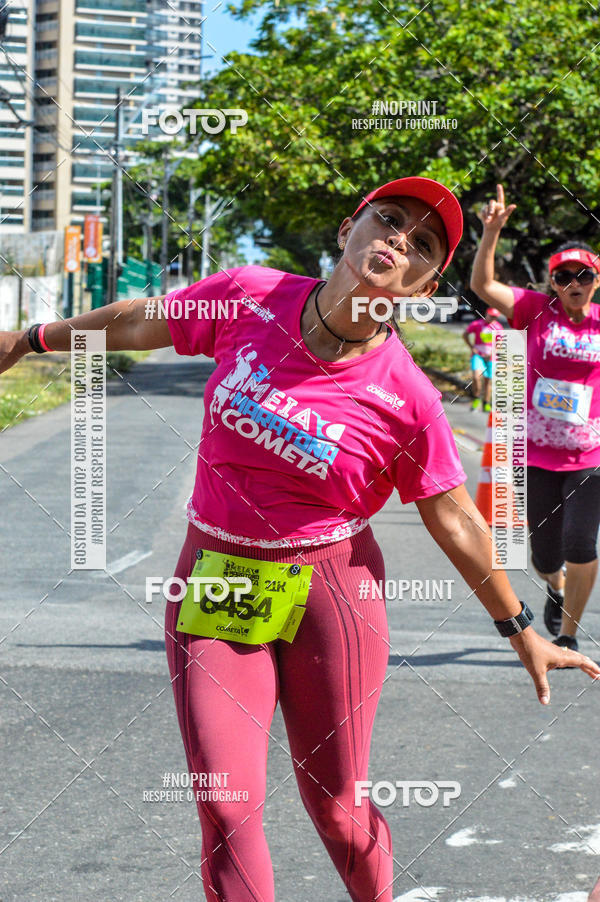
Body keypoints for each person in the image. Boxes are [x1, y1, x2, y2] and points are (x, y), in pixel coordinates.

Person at [1, 176, 598, 902]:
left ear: (424, 284)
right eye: (388, 219)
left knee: (341, 815)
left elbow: (454, 517)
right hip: (216, 578)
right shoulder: (251, 295)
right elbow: (136, 323)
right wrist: (31, 339)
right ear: (349, 227)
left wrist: (520, 629)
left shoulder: (407, 393)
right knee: (225, 805)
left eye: (423, 245)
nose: (398, 240)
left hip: (332, 594)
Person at [471, 183, 600, 654]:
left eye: (583, 275)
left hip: (591, 455)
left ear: (596, 280)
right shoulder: (535, 311)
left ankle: (567, 636)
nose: (574, 283)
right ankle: (555, 584)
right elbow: (483, 286)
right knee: (546, 553)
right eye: (564, 275)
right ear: (552, 282)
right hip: (538, 453)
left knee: (581, 543)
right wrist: (491, 233)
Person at [462, 306, 504, 411]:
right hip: (478, 355)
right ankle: (476, 398)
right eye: (491, 316)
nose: (493, 319)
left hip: (491, 356)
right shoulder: (477, 324)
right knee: (476, 377)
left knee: (488, 381)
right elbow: (465, 334)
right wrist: (472, 347)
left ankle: (486, 402)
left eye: (495, 317)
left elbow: (500, 342)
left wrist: (494, 352)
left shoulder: (498, 327)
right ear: (486, 314)